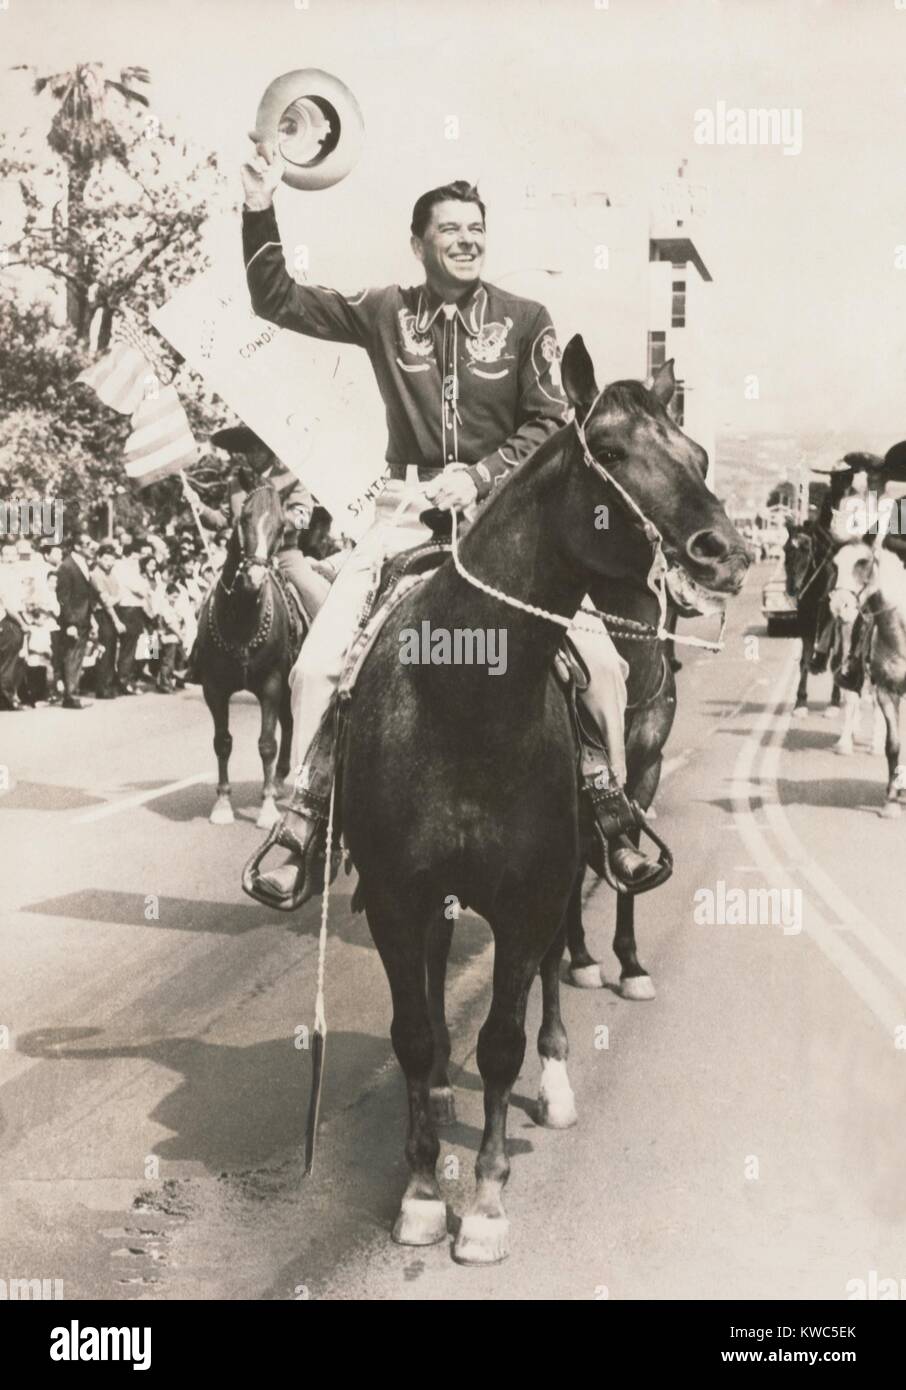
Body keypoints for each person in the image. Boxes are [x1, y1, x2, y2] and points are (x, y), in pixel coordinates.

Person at [240, 149, 658, 906]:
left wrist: (483, 475)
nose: (466, 240)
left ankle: (608, 808)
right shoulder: (381, 310)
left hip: (513, 519)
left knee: (603, 668)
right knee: (315, 669)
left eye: (476, 229)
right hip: (403, 516)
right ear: (417, 242)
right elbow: (275, 298)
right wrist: (259, 202)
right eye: (450, 229)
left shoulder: (528, 318)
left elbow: (550, 419)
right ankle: (303, 820)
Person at [54, 533, 96, 709]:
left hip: (84, 617)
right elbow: (63, 597)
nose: (91, 547)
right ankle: (70, 696)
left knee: (78, 656)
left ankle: (73, 692)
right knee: (72, 656)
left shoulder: (83, 564)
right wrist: (69, 622)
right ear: (77, 547)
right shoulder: (66, 566)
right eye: (86, 544)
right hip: (74, 619)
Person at [90, 542, 126, 698]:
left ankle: (109, 684)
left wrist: (115, 599)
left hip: (111, 612)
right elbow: (106, 602)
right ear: (98, 558)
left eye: (112, 560)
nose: (109, 563)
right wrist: (117, 621)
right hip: (102, 615)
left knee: (111, 651)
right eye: (105, 559)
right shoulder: (96, 575)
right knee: (105, 651)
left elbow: (118, 595)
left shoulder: (112, 574)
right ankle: (102, 687)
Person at [113, 542, 150, 693]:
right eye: (133, 558)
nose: (136, 562)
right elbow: (140, 589)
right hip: (129, 609)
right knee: (128, 647)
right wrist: (144, 586)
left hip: (136, 610)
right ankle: (124, 681)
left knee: (138, 645)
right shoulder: (122, 568)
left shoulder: (130, 568)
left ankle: (134, 675)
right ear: (125, 556)